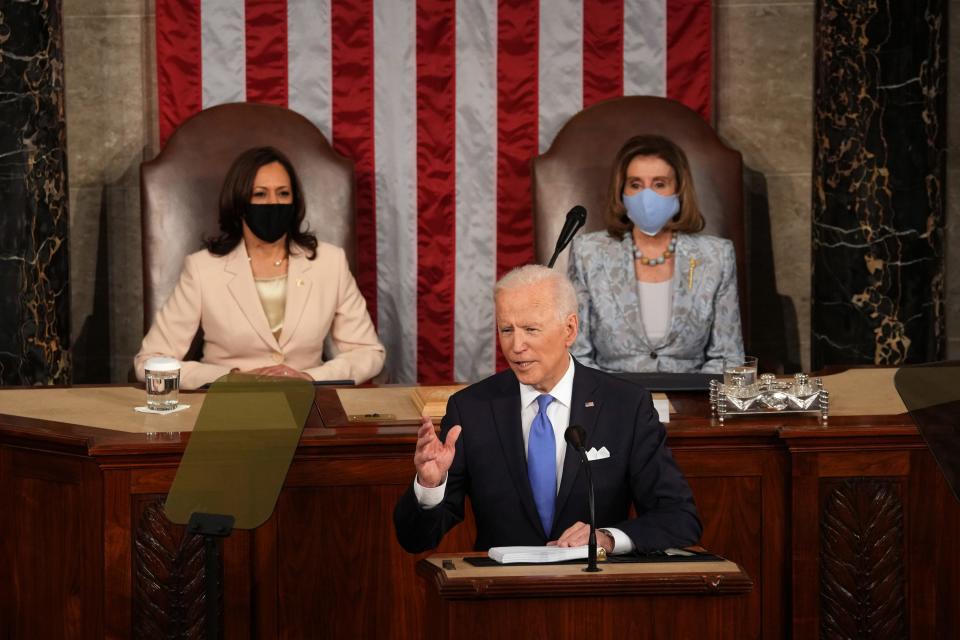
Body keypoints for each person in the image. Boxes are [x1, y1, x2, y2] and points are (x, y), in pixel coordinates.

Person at [393, 265, 700, 554]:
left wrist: (606, 538)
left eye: (531, 329)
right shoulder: (472, 409)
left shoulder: (625, 406)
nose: (516, 346)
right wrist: (429, 486)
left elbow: (679, 517)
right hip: (502, 596)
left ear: (569, 329)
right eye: (506, 330)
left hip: (594, 595)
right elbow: (416, 539)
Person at [135, 146, 385, 389]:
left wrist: (310, 378)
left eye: (283, 194)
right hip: (227, 410)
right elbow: (149, 362)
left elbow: (369, 353)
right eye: (260, 194)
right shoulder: (202, 269)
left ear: (295, 201)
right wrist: (230, 379)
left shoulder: (330, 263)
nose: (273, 203)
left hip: (308, 408)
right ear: (240, 202)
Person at [568, 134, 743, 374]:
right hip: (612, 401)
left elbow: (728, 357)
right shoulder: (588, 253)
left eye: (659, 184)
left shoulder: (716, 256)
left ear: (679, 189)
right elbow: (577, 354)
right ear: (622, 191)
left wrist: (693, 400)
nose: (646, 196)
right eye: (636, 185)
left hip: (691, 402)